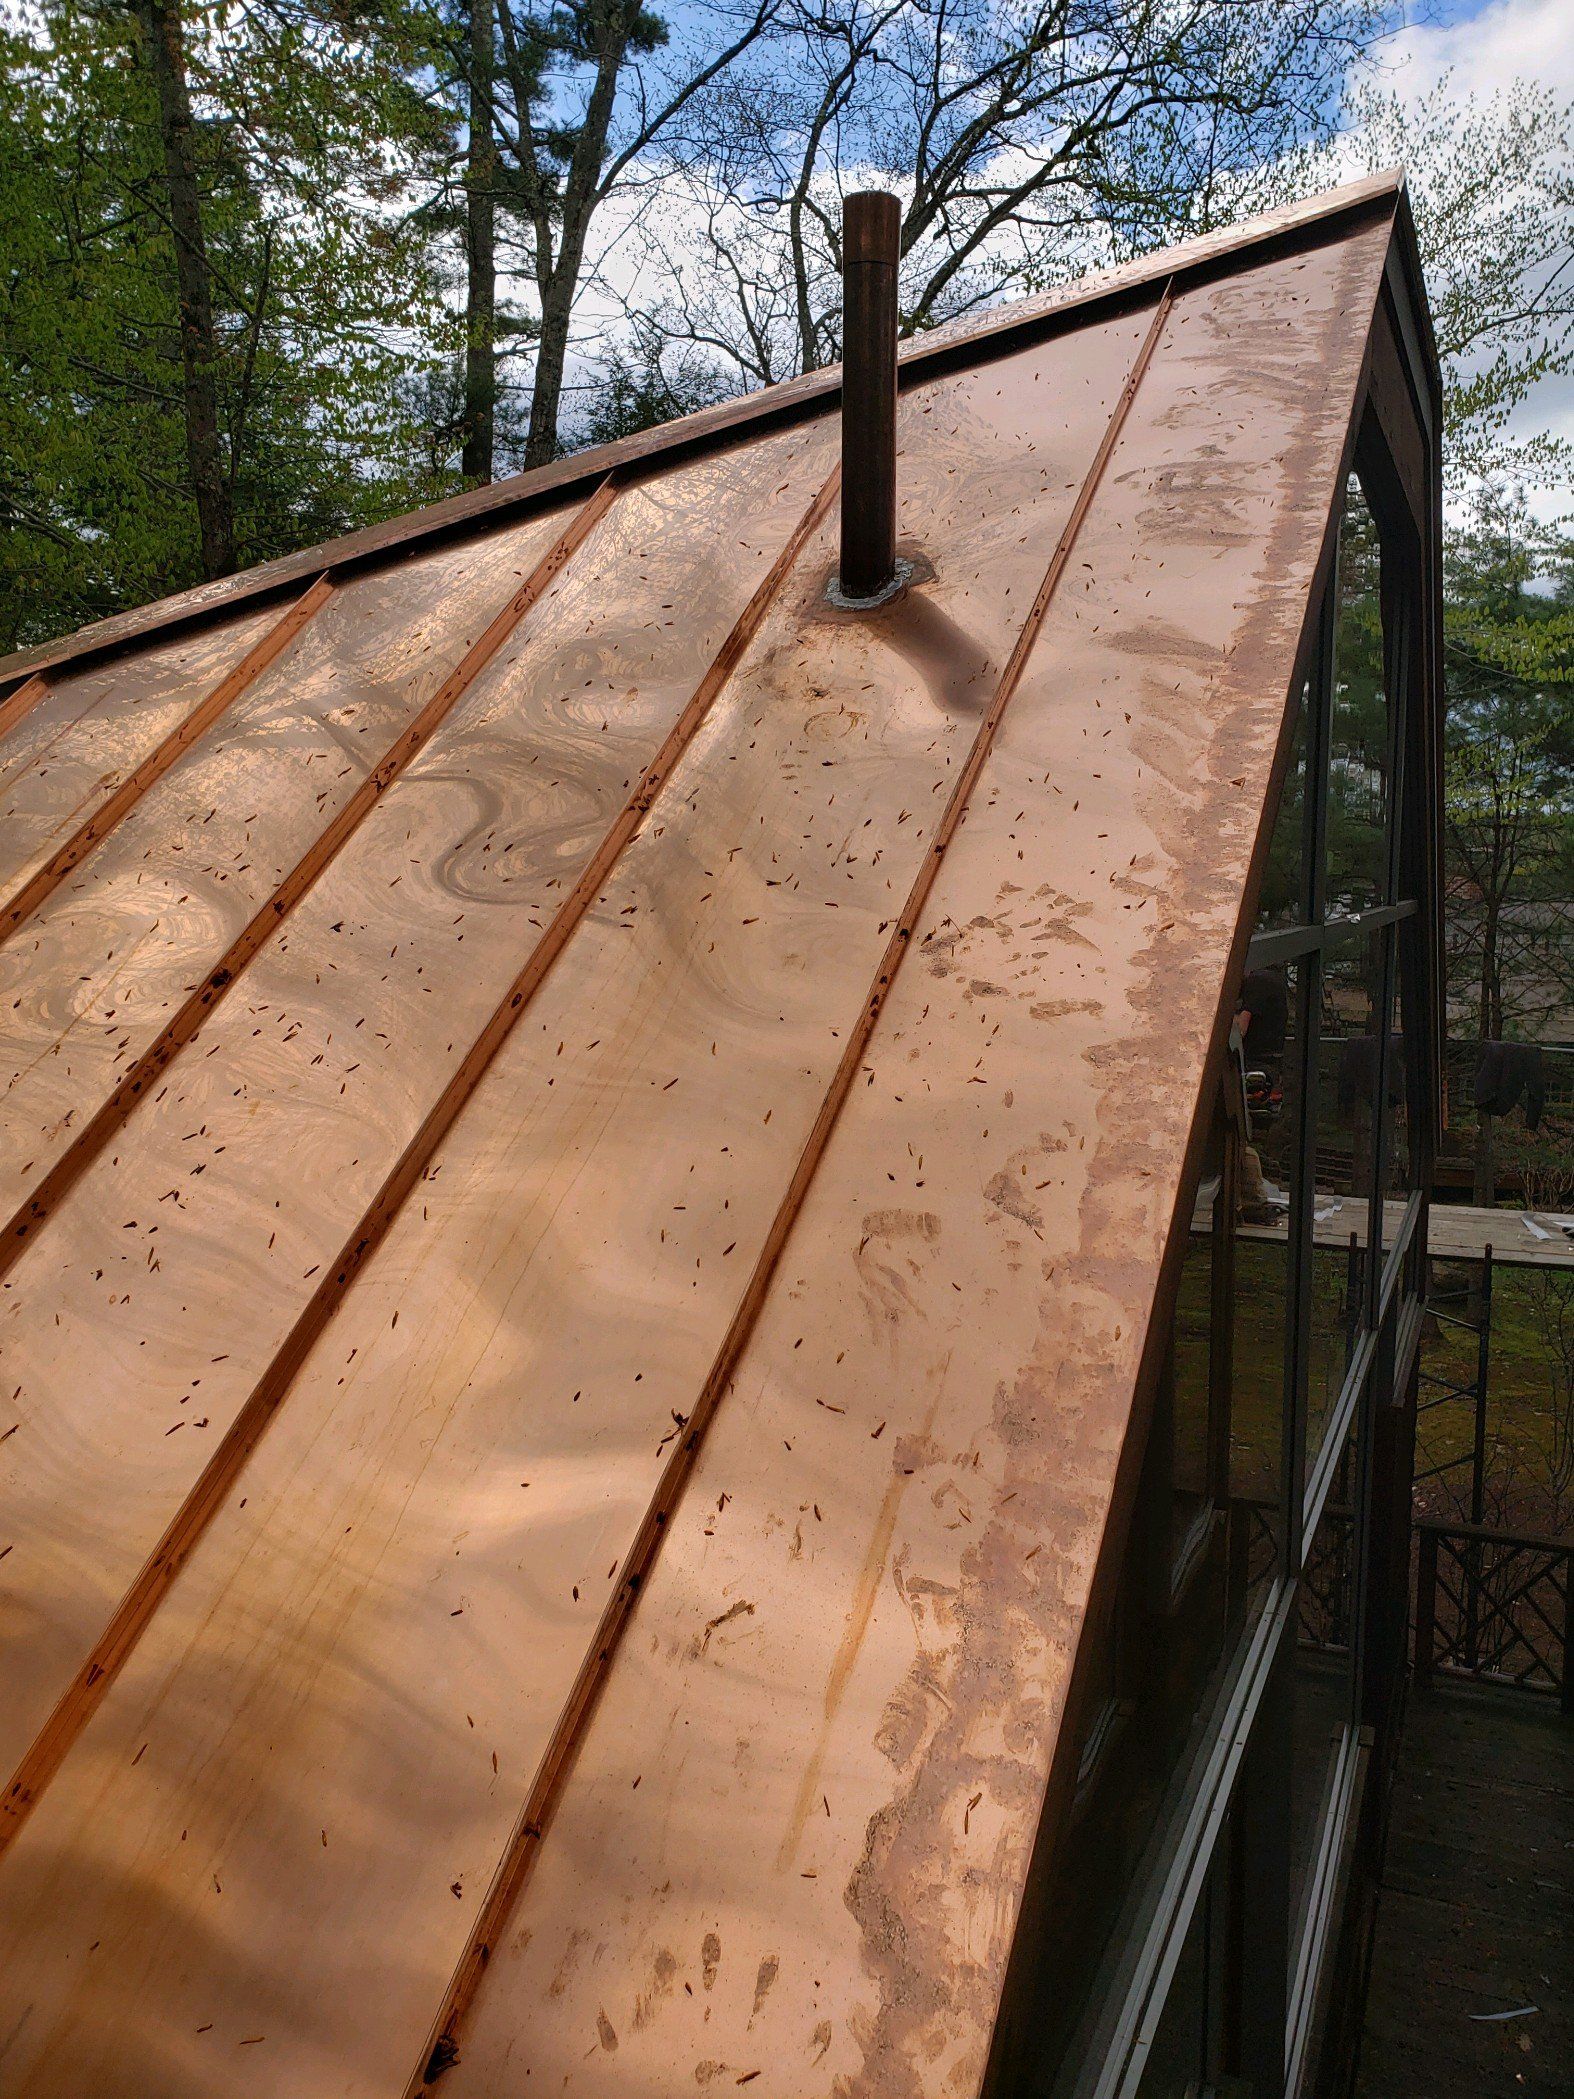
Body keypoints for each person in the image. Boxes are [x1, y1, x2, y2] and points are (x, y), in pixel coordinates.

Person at [1232, 965, 1288, 1225]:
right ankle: (1251, 1201)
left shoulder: (1257, 985)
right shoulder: (1267, 982)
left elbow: (1238, 1031)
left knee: (1238, 1138)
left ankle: (1253, 1202)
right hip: (1265, 1064)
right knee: (1241, 1139)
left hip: (1256, 1066)